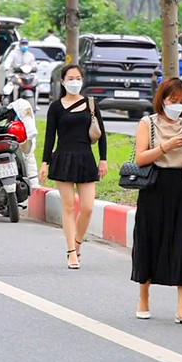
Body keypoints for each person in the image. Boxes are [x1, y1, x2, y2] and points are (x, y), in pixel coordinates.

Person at [131, 78, 182, 325]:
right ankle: (144, 299)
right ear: (162, 99)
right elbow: (140, 158)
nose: (177, 106)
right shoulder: (148, 123)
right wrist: (167, 146)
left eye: (181, 101)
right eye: (173, 101)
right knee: (149, 239)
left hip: (179, 185)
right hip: (153, 186)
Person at [41, 64, 108, 270]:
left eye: (78, 78)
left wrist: (103, 159)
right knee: (69, 206)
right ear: (63, 82)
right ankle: (71, 251)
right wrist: (45, 162)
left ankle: (78, 243)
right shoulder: (56, 107)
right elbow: (50, 136)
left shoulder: (91, 104)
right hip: (63, 157)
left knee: (87, 208)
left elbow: (102, 133)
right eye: (70, 78)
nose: (74, 81)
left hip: (85, 157)